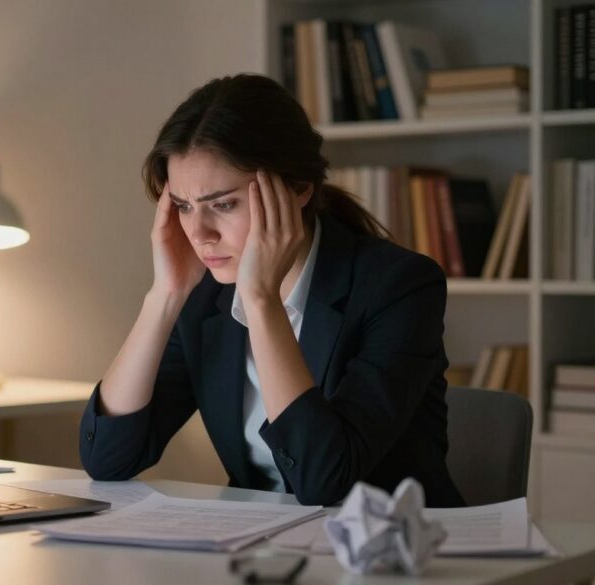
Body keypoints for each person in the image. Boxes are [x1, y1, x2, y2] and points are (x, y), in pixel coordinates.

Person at [78, 74, 465, 507]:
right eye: (185, 207)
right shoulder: (204, 297)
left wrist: (262, 302)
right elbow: (107, 459)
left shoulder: (399, 287)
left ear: (299, 188)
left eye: (223, 204)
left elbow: (324, 480)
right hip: (265, 554)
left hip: (392, 558)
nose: (199, 233)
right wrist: (164, 296)